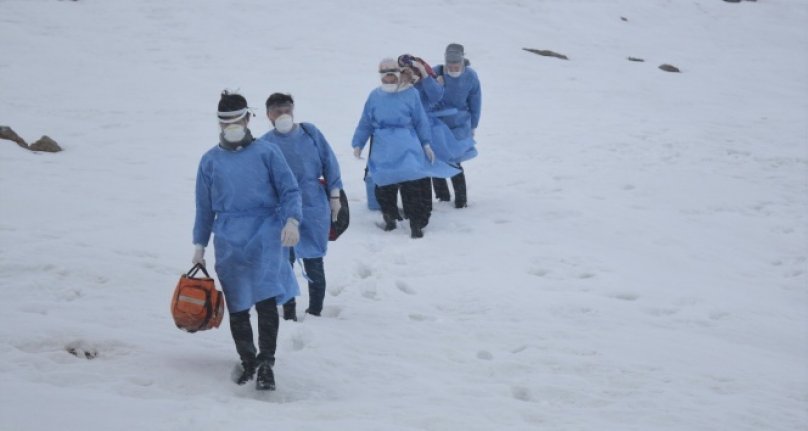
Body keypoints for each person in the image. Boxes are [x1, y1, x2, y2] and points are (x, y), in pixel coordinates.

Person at [192, 90, 303, 391]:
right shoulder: (210, 161)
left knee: (266, 300)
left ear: (248, 117)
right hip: (228, 237)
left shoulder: (267, 152)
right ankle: (248, 360)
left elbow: (290, 190)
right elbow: (204, 207)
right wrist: (199, 244)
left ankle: (267, 362)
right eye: (225, 121)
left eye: (237, 119)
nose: (232, 125)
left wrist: (292, 219)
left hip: (266, 231)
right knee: (238, 305)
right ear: (218, 124)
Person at [257, 93, 343, 321]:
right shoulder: (264, 144)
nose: (283, 115)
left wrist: (335, 195)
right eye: (277, 111)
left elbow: (329, 161)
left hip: (314, 204)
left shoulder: (309, 132)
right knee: (285, 263)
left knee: (314, 260)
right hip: (281, 210)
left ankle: (315, 310)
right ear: (268, 115)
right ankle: (288, 311)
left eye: (287, 109)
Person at [351, 58, 437, 238]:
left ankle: (416, 223)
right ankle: (390, 218)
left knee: (411, 183)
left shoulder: (410, 93)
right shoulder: (375, 96)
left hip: (407, 142)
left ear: (397, 73)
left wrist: (426, 143)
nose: (388, 78)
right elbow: (366, 121)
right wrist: (358, 142)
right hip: (383, 147)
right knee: (383, 184)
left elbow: (420, 120)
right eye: (385, 74)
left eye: (391, 73)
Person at [397, 54, 464, 210]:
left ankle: (461, 198)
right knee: (422, 166)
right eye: (404, 71)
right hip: (411, 131)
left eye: (411, 70)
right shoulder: (403, 87)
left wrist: (425, 75)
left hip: (432, 129)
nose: (409, 75)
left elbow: (436, 96)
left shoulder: (427, 82)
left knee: (449, 161)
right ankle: (439, 197)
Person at [432, 43, 482, 208]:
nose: (453, 69)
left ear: (462, 63)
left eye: (456, 66)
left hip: (459, 124)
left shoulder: (470, 77)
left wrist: (473, 125)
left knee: (455, 161)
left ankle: (461, 200)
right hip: (438, 123)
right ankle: (442, 196)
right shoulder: (436, 73)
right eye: (450, 66)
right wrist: (435, 85)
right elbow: (425, 95)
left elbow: (475, 102)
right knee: (436, 159)